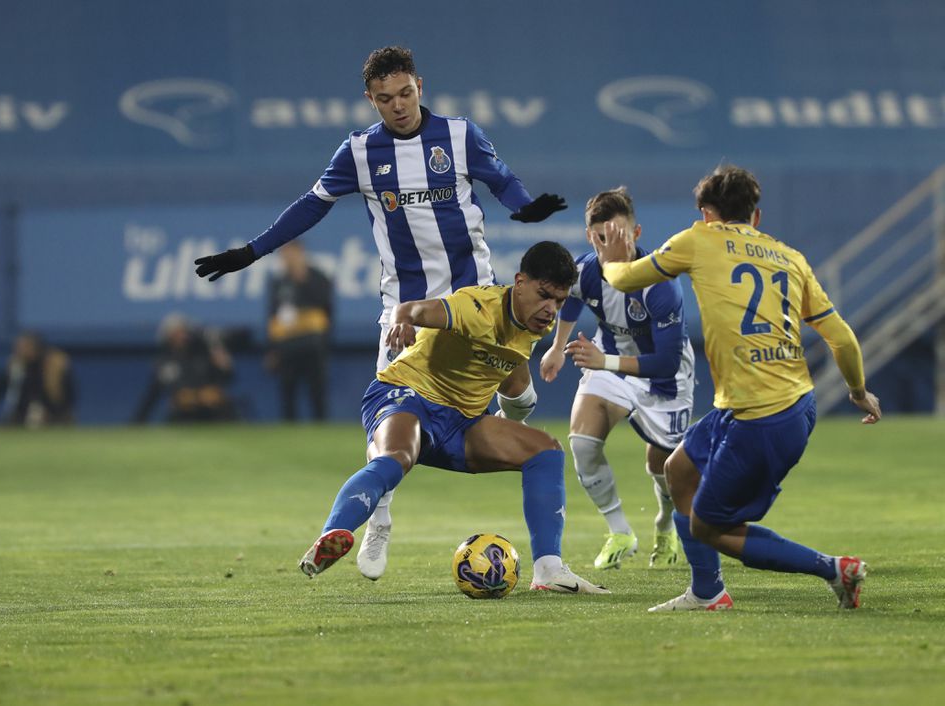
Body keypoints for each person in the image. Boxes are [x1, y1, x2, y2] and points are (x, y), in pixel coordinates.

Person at [195, 46, 566, 578]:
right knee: (390, 421)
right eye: (385, 99)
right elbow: (311, 205)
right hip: (405, 314)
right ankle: (378, 520)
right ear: (370, 100)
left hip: (476, 302)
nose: (398, 106)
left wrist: (524, 206)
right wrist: (250, 252)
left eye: (406, 94)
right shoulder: (360, 152)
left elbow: (501, 180)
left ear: (421, 86)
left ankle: (505, 424)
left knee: (522, 396)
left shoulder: (459, 136)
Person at [589, 164, 881, 611]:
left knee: (710, 526)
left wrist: (610, 261)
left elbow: (626, 280)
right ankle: (707, 593)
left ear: (706, 213)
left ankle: (834, 569)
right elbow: (841, 337)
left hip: (763, 418)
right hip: (778, 404)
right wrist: (858, 391)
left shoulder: (698, 239)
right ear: (756, 216)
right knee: (679, 469)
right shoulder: (790, 258)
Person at [298, 242, 608, 594]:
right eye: (544, 295)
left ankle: (549, 571)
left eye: (560, 301)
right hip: (408, 396)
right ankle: (331, 535)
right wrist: (401, 323)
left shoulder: (535, 323)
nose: (550, 309)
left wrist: (514, 414)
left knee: (546, 451)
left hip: (462, 421)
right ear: (520, 282)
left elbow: (511, 372)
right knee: (397, 457)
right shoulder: (476, 306)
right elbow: (412, 308)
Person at [540, 187, 694, 570]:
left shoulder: (661, 284)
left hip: (664, 378)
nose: (610, 245)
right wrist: (558, 346)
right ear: (590, 237)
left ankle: (664, 522)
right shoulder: (585, 271)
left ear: (637, 234)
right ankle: (620, 530)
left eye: (619, 236)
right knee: (582, 443)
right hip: (607, 360)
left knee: (665, 467)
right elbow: (574, 296)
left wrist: (604, 361)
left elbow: (666, 362)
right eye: (600, 238)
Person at [266, 242, 333, 421]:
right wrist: (273, 349)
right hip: (288, 345)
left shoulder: (318, 278)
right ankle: (289, 434)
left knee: (317, 392)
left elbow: (327, 309)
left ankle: (321, 429)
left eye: (290, 254)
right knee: (288, 393)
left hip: (313, 344)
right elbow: (273, 316)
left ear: (300, 253)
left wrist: (302, 279)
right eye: (284, 255)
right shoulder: (279, 282)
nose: (287, 259)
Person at [133, 313, 238, 424]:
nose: (182, 336)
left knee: (224, 407)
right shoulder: (163, 361)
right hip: (184, 414)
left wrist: (224, 366)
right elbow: (159, 393)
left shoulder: (203, 353)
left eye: (184, 331)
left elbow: (226, 378)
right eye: (177, 333)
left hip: (213, 411)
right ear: (168, 336)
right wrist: (194, 396)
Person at [0, 332, 75, 426]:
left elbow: (68, 398)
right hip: (22, 416)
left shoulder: (55, 364)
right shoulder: (17, 365)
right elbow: (0, 390)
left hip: (55, 416)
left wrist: (48, 412)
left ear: (35, 347)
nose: (19, 350)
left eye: (24, 346)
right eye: (18, 347)